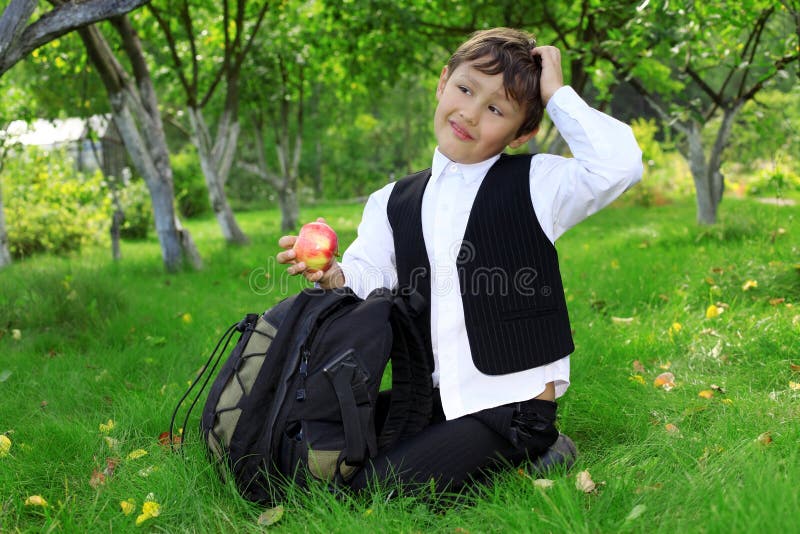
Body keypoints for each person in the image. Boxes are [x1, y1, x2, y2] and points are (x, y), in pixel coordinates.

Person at [277, 27, 643, 493]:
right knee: (314, 442)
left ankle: (543, 449)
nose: (469, 113)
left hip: (512, 409)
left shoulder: (538, 183)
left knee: (374, 490)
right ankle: (485, 452)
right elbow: (371, 280)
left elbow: (620, 165)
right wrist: (334, 274)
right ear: (443, 81)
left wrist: (556, 94)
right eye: (465, 89)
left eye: (495, 109)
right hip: (431, 396)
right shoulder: (392, 200)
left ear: (522, 132)